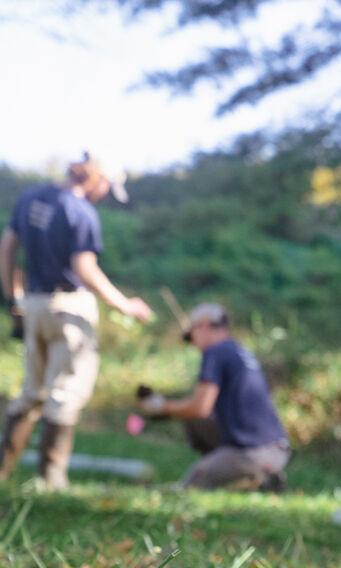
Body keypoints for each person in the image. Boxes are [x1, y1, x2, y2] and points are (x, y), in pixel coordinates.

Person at [0, 152, 154, 488]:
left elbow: (7, 247)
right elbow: (85, 268)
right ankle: (51, 479)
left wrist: (15, 296)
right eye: (106, 188)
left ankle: (3, 471)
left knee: (31, 391)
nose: (104, 195)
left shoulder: (31, 197)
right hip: (70, 309)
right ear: (96, 178)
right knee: (66, 392)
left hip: (34, 303)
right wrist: (126, 305)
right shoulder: (81, 211)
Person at [136, 302, 290, 491]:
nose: (193, 344)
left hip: (252, 452)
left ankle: (255, 478)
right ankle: (248, 473)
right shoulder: (237, 350)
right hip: (277, 448)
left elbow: (200, 408)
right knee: (196, 422)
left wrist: (161, 407)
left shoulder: (215, 352)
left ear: (204, 326)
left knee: (197, 478)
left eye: (190, 336)